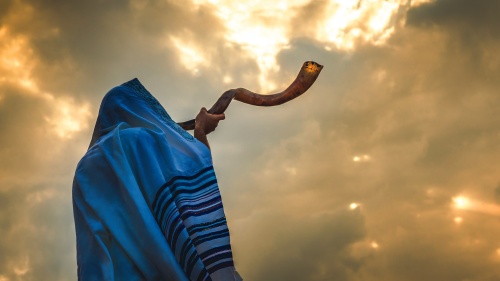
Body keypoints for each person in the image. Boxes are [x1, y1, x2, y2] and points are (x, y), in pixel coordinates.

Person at [72, 78, 242, 281]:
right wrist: (200, 132)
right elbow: (192, 165)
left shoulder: (84, 169)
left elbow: (90, 242)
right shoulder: (138, 140)